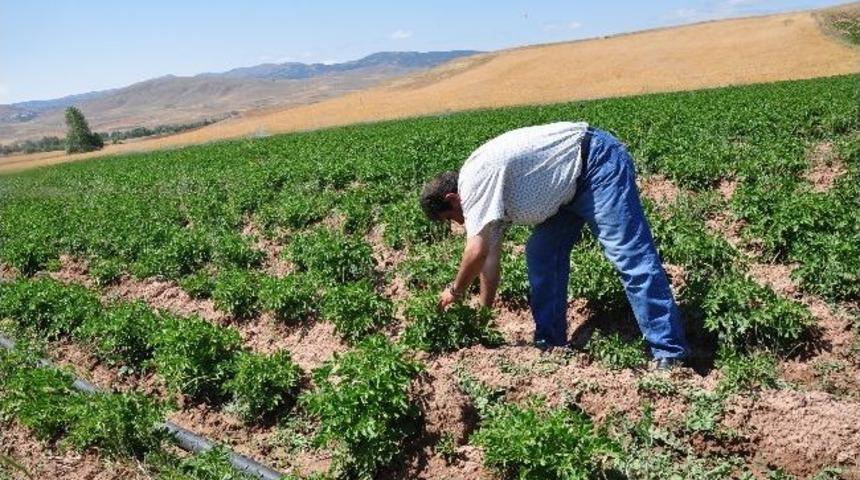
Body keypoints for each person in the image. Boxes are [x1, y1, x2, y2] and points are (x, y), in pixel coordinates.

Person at [419, 121, 688, 369]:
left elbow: (476, 251)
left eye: (451, 218)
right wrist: (484, 315)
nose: (458, 223)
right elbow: (488, 260)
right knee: (541, 253)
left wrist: (455, 292)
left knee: (629, 255)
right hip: (565, 191)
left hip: (595, 164)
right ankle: (551, 342)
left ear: (452, 198)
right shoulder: (487, 198)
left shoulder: (473, 184)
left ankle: (669, 351)